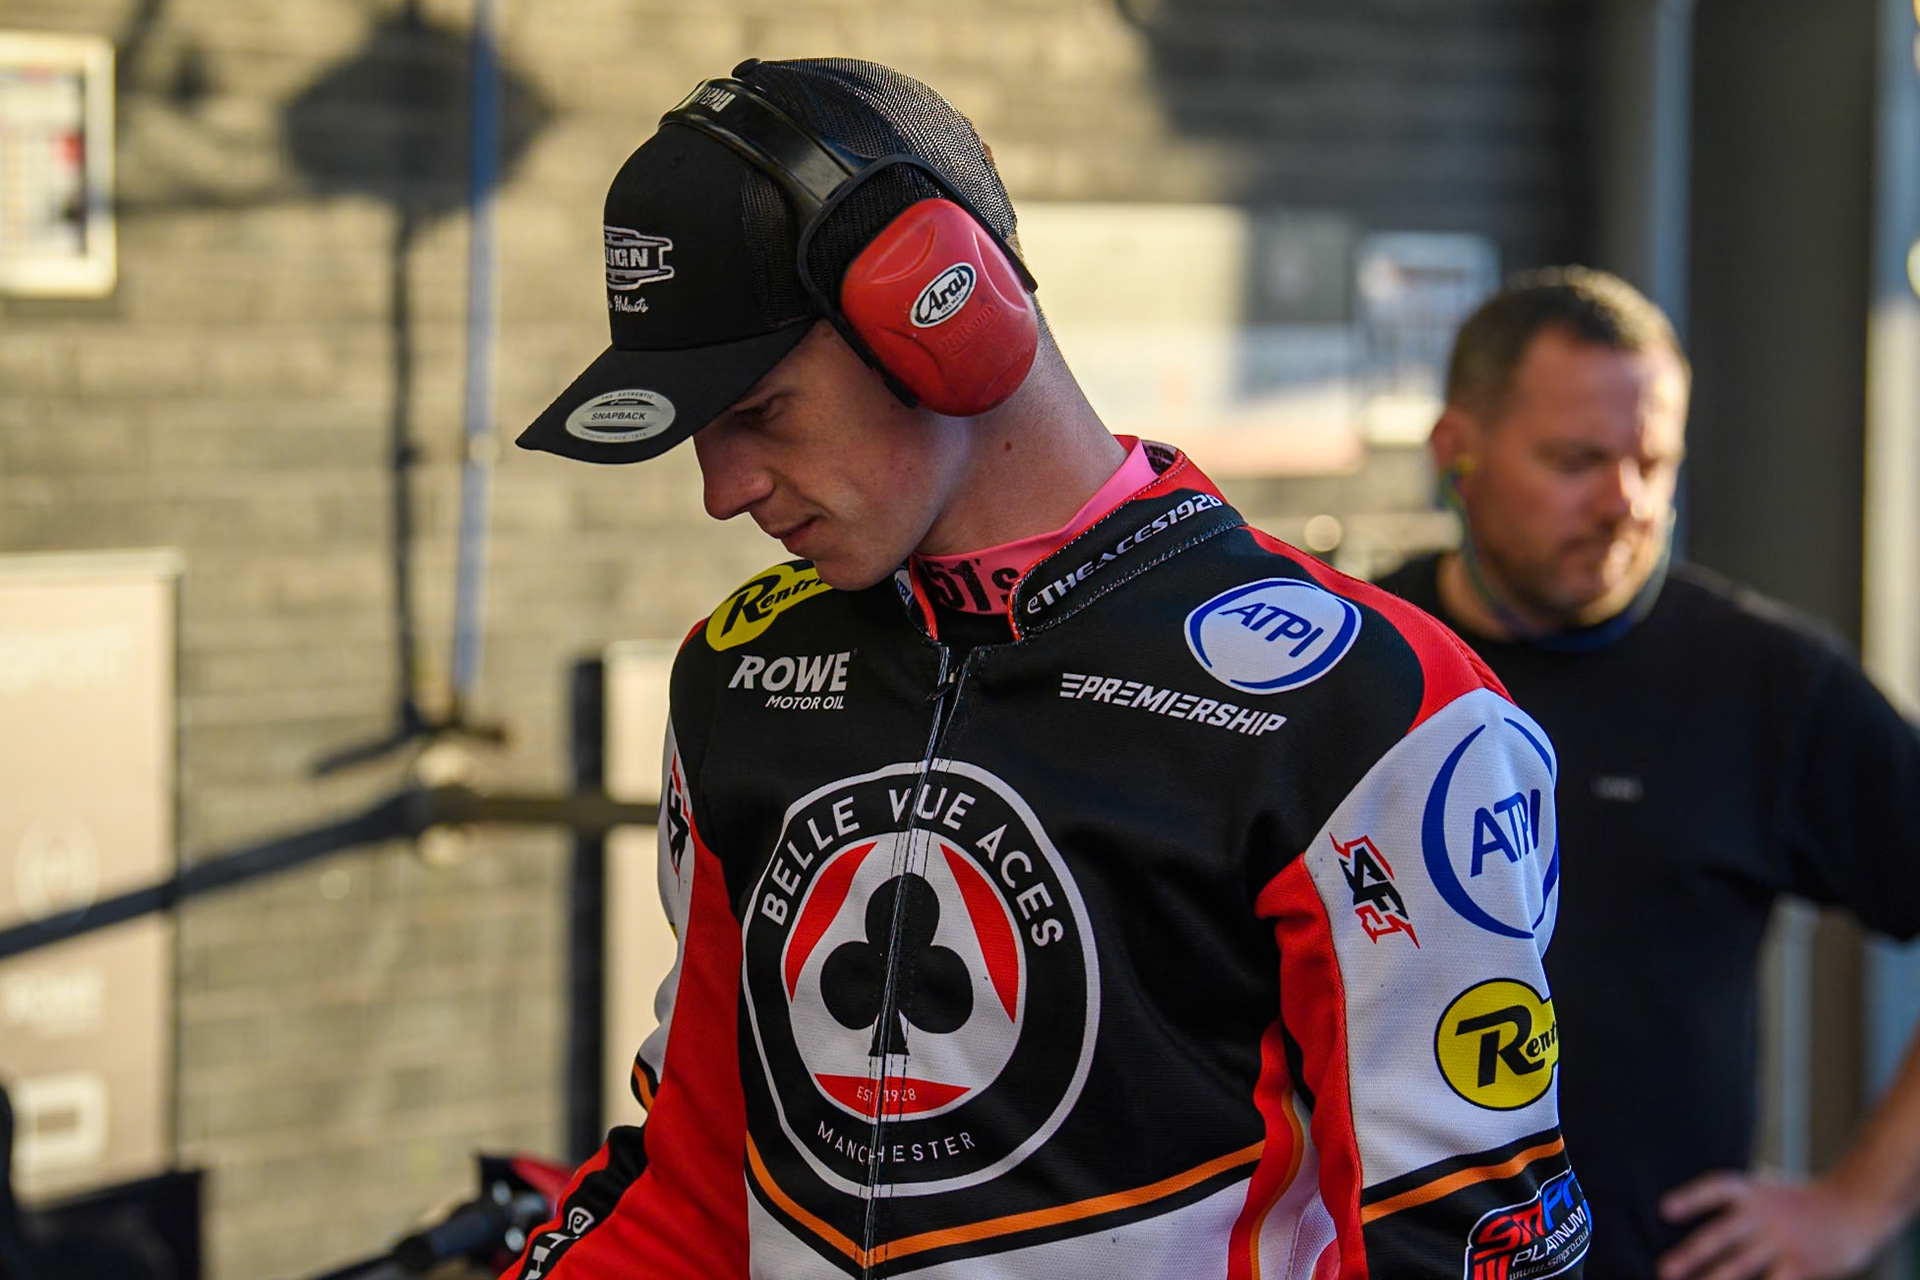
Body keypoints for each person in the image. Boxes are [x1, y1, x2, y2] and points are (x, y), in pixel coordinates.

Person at [504, 57, 1589, 1280]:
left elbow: (1466, 1248)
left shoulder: (1373, 712)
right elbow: (695, 1174)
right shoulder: (743, 670)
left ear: (942, 316)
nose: (721, 491)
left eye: (758, 413)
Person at [1375, 267, 1920, 1280]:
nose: (1627, 504)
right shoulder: (1359, 662)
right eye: (1577, 460)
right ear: (1457, 451)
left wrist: (1850, 1207)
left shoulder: (1766, 682)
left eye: (1654, 462)